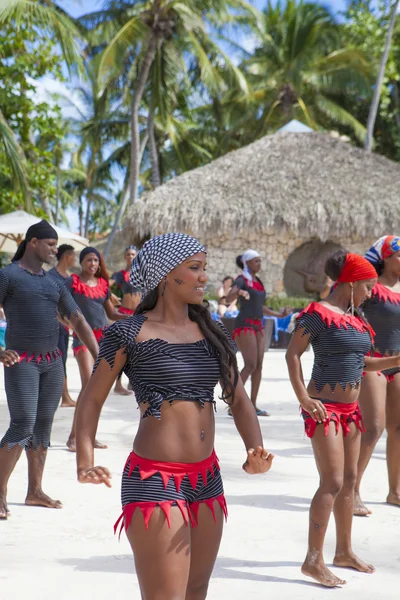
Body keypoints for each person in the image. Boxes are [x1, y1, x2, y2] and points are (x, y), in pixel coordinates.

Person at [75, 233, 274, 599]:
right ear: (167, 275)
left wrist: (254, 450)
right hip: (154, 481)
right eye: (195, 268)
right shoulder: (127, 333)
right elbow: (90, 401)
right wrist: (85, 461)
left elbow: (239, 400)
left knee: (196, 589)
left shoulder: (212, 332)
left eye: (205, 269)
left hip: (208, 478)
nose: (204, 278)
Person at [286, 251, 400, 587]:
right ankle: (313, 560)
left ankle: (344, 552)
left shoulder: (356, 318)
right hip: (324, 408)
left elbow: (363, 362)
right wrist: (304, 399)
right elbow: (293, 354)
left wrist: (397, 358)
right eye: (366, 286)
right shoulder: (317, 314)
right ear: (349, 283)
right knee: (332, 482)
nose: (369, 293)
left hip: (352, 412)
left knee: (350, 481)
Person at [0, 220, 98, 520]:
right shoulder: (8, 275)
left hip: (52, 363)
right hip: (22, 362)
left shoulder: (54, 282)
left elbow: (78, 320)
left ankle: (35, 491)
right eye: (50, 245)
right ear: (32, 243)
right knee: (22, 424)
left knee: (42, 427)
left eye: (56, 245)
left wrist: (103, 358)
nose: (56, 250)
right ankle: (0, 493)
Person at [65, 247, 129, 451]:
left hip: (104, 339)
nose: (93, 264)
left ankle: (89, 436)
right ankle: (73, 437)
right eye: (89, 260)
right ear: (82, 262)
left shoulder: (103, 285)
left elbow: (111, 313)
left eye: (96, 261)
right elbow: (58, 307)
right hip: (82, 339)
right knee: (88, 387)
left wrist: (131, 317)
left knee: (98, 391)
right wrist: (67, 323)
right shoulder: (72, 282)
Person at [354, 236, 400, 515]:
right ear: (388, 257)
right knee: (373, 428)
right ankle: (352, 490)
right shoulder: (371, 285)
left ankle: (395, 491)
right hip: (373, 361)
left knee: (399, 429)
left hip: (398, 362)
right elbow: (351, 312)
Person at [225, 250, 291, 416]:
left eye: (260, 261)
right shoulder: (241, 280)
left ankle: (252, 405)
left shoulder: (258, 282)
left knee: (258, 366)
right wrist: (239, 292)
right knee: (250, 365)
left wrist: (279, 315)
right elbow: (228, 299)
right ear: (247, 263)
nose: (259, 264)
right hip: (244, 325)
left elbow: (260, 307)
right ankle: (233, 402)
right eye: (256, 261)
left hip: (258, 325)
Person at [110, 245, 141, 395]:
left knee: (137, 349)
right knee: (122, 349)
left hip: (139, 314)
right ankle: (117, 384)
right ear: (124, 257)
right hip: (124, 313)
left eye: (133, 254)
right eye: (128, 254)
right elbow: (104, 286)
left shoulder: (142, 274)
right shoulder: (120, 275)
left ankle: (132, 381)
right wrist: (111, 296)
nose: (130, 257)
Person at [48, 244, 77, 407]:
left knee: (62, 360)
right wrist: (64, 322)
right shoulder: (50, 276)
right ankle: (63, 397)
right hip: (54, 326)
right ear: (67, 256)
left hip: (65, 327)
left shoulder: (71, 278)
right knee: (56, 361)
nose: (75, 259)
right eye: (74, 256)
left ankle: (64, 397)